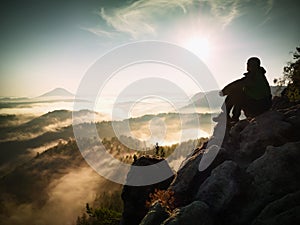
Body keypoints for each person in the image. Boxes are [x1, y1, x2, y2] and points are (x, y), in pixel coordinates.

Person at [214, 57, 272, 123]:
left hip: (258, 108)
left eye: (248, 64)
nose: (247, 66)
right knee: (240, 93)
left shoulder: (253, 77)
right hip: (264, 106)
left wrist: (224, 91)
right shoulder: (259, 75)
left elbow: (238, 84)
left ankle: (229, 117)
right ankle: (231, 117)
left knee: (236, 93)